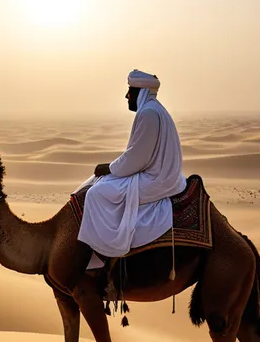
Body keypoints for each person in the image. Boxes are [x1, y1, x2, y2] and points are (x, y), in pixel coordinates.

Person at [77, 69, 187, 266]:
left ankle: (101, 257)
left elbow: (137, 158)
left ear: (141, 92)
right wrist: (112, 169)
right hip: (158, 175)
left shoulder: (149, 113)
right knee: (102, 182)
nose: (127, 96)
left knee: (96, 193)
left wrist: (109, 167)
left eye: (130, 90)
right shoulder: (154, 110)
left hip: (156, 180)